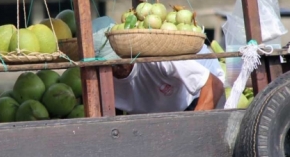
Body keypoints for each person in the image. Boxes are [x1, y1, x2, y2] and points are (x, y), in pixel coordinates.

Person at [92, 16, 225, 114]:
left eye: (118, 60)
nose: (116, 67)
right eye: (109, 65)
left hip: (196, 95)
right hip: (153, 114)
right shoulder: (97, 83)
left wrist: (193, 130)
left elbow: (214, 85)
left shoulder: (158, 59)